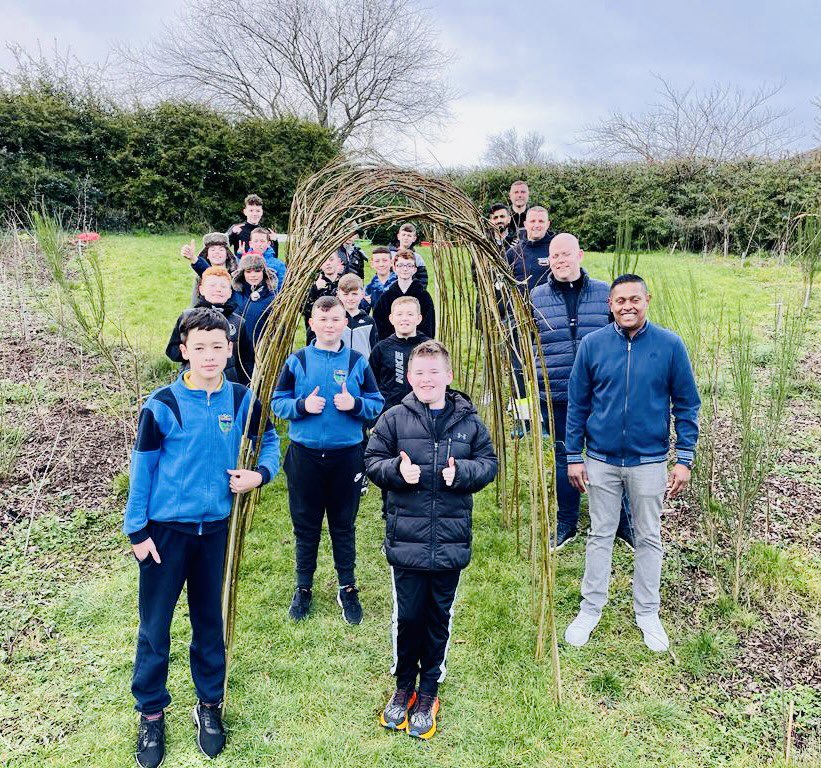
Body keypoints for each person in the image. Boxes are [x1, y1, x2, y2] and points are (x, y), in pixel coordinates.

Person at [123, 308, 280, 768]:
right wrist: (137, 531)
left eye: (218, 346)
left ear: (230, 349)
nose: (209, 355)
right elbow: (143, 471)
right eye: (199, 347)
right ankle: (151, 712)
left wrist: (260, 474)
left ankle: (209, 705)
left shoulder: (241, 398)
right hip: (165, 535)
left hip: (216, 534)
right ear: (184, 350)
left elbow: (269, 440)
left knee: (209, 623)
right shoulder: (163, 405)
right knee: (155, 628)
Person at [365, 340, 498, 740]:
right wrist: (394, 471)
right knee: (407, 617)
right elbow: (371, 460)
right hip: (406, 538)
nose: (426, 380)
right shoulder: (393, 419)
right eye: (419, 373)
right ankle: (403, 684)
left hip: (451, 540)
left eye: (434, 372)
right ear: (409, 378)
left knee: (439, 617)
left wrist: (463, 475)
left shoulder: (469, 422)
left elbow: (488, 464)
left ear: (448, 376)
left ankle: (428, 691)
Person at [563, 274, 701, 652]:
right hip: (601, 460)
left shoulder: (670, 346)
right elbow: (577, 404)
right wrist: (574, 456)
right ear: (610, 304)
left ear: (647, 300)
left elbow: (687, 405)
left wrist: (684, 458)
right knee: (600, 534)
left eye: (634, 299)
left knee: (648, 536)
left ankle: (647, 611)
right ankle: (591, 608)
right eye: (620, 300)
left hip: (649, 461)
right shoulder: (593, 346)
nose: (627, 306)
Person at [271, 296, 384, 625]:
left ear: (344, 323)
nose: (330, 325)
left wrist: (355, 405)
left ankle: (347, 587)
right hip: (304, 457)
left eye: (335, 320)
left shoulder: (356, 362)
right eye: (323, 320)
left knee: (343, 524)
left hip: (346, 457)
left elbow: (377, 403)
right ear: (312, 324)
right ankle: (303, 587)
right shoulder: (298, 361)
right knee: (306, 526)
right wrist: (302, 406)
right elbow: (279, 401)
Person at [530, 234, 633, 550]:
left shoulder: (604, 293)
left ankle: (623, 523)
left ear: (580, 255)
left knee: (613, 455)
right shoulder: (536, 297)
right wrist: (533, 378)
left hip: (603, 393)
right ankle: (567, 522)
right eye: (554, 256)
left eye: (566, 254)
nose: (560, 260)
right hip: (559, 392)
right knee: (565, 457)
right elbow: (526, 343)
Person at [368, 295, 430, 518]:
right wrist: (374, 419)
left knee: (423, 460)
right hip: (391, 418)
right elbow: (370, 385)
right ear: (391, 318)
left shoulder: (428, 347)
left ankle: (420, 506)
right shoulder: (382, 348)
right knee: (393, 464)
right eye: (400, 315)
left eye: (410, 314)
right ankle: (390, 510)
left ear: (419, 318)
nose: (405, 319)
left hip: (423, 416)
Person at [166, 267, 244, 383]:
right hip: (193, 383)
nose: (218, 290)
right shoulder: (187, 317)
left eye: (223, 286)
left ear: (230, 292)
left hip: (229, 383)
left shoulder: (239, 322)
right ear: (201, 289)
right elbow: (172, 351)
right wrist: (196, 354)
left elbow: (246, 359)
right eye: (212, 286)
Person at [232, 253, 278, 385]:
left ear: (264, 272)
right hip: (236, 351)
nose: (253, 275)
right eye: (248, 271)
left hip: (259, 352)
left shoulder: (272, 297)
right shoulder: (233, 293)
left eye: (257, 270)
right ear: (242, 273)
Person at [373, 249, 435, 341]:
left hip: (417, 346)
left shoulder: (423, 296)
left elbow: (428, 326)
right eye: (400, 265)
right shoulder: (386, 297)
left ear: (414, 270)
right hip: (392, 346)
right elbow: (379, 325)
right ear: (394, 268)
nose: (405, 269)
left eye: (409, 265)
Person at [303, 252, 347, 342]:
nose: (328, 263)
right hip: (316, 336)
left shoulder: (345, 284)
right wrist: (315, 289)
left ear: (338, 262)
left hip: (341, 335)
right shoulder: (311, 285)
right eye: (324, 260)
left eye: (331, 259)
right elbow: (304, 310)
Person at [338, 274, 379, 358]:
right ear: (338, 294)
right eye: (346, 294)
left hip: (362, 368)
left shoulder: (369, 321)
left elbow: (373, 349)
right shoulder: (335, 320)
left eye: (354, 294)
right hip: (339, 368)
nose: (350, 298)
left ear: (362, 294)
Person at [226, 193, 278, 259]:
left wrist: (275, 241)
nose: (254, 214)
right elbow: (223, 247)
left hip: (261, 266)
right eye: (251, 210)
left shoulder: (265, 232)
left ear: (262, 212)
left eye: (258, 211)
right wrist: (232, 234)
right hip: (242, 266)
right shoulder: (237, 228)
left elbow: (274, 257)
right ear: (245, 212)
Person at [389, 223, 429, 288]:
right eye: (403, 235)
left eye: (409, 236)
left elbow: (423, 279)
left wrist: (418, 292)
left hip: (411, 293)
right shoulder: (389, 255)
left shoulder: (417, 258)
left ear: (414, 238)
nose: (406, 238)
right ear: (398, 236)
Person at [362, 246, 396, 313]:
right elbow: (363, 313)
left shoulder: (400, 284)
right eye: (377, 261)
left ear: (391, 262)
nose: (381, 264)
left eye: (385, 260)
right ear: (372, 264)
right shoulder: (369, 288)